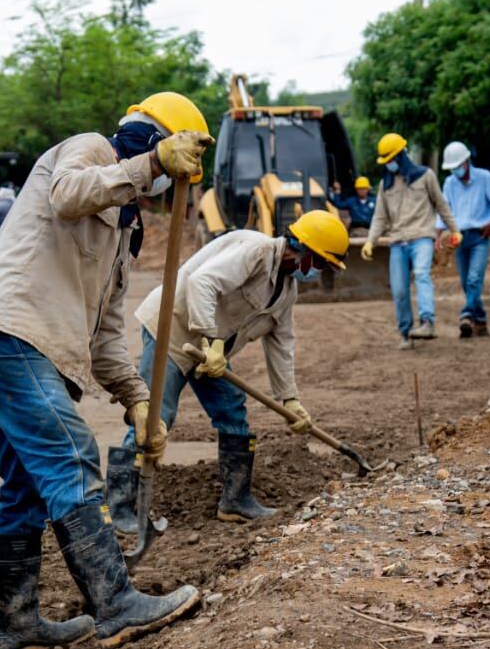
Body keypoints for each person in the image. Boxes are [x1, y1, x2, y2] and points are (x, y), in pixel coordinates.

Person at [0, 92, 214, 649]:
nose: (162, 183)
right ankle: (115, 604)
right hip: (10, 331)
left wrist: (138, 400)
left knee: (25, 485)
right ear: (153, 140)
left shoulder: (121, 231)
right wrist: (150, 164)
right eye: (167, 164)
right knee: (71, 454)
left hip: (7, 345)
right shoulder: (90, 150)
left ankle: (19, 625)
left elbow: (106, 334)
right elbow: (67, 195)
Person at [105, 211, 348, 532]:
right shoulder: (256, 250)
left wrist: (289, 399)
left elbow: (281, 345)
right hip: (172, 330)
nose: (318, 272)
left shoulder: (287, 290)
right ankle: (118, 507)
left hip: (211, 352)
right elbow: (202, 283)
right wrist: (210, 339)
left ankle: (236, 500)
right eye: (320, 264)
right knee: (154, 418)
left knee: (233, 412)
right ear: (304, 251)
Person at [361, 133, 459, 349]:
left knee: (422, 274)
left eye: (390, 159)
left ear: (400, 156)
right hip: (398, 241)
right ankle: (406, 333)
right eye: (385, 161)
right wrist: (370, 241)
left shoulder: (426, 176)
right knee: (399, 290)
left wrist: (454, 230)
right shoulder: (385, 185)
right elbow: (379, 216)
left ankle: (427, 322)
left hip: (421, 237)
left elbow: (441, 205)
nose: (388, 164)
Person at [439, 141, 490, 338]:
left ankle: (467, 314)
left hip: (480, 236)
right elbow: (444, 209)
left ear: (466, 161)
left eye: (457, 166)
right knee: (466, 282)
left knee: (474, 279)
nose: (455, 170)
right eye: (452, 168)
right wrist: (439, 232)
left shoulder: (485, 178)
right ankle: (481, 320)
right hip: (459, 237)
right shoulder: (449, 183)